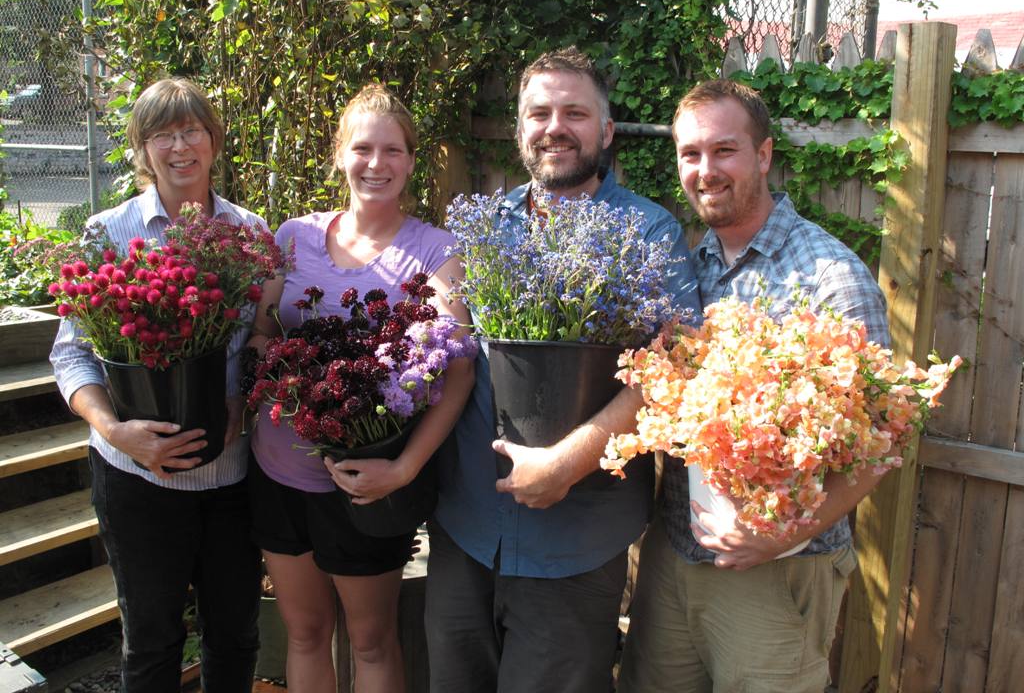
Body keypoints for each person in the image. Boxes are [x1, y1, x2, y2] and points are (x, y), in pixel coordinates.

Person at [425, 47, 701, 693]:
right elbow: (446, 342)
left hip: (576, 538)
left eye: (574, 113)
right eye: (539, 113)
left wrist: (567, 464)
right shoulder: (483, 228)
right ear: (520, 129)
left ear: (605, 132)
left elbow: (669, 370)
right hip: (467, 527)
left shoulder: (649, 233)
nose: (555, 127)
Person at [616, 79, 892, 693]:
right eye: (690, 154)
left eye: (724, 151)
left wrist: (779, 536)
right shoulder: (689, 267)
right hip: (676, 556)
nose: (705, 170)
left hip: (777, 571)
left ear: (763, 155)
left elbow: (882, 444)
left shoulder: (831, 279)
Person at [246, 83, 475, 693]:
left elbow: (458, 375)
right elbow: (262, 333)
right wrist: (286, 373)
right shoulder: (293, 236)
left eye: (394, 150)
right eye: (364, 148)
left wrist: (401, 471)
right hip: (279, 471)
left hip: (366, 486)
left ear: (411, 161)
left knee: (372, 641)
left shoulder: (435, 252)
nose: (378, 164)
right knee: (304, 633)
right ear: (340, 154)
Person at [49, 77, 263, 693]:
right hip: (136, 475)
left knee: (233, 634)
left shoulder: (249, 231)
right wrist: (117, 430)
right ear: (142, 149)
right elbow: (72, 355)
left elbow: (261, 338)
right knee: (151, 641)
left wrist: (239, 402)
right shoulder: (107, 232)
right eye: (162, 134)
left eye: (191, 130)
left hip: (229, 474)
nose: (179, 146)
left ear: (213, 140)